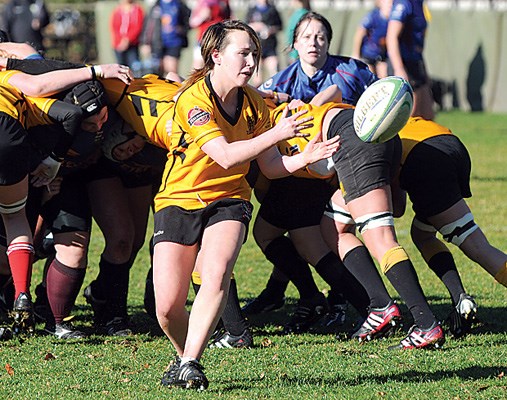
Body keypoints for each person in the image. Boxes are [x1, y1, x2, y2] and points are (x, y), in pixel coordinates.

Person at [152, 20, 339, 391]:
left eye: (254, 53)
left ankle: (190, 361)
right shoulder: (193, 99)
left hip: (229, 199)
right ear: (216, 56)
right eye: (243, 53)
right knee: (167, 308)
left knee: (217, 272)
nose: (251, 61)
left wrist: (305, 158)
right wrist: (278, 132)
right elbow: (223, 154)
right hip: (178, 199)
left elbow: (269, 165)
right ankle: (183, 355)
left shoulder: (254, 103)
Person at [240, 12, 376, 336]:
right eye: (306, 37)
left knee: (319, 236)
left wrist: (310, 107)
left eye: (321, 37)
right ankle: (333, 301)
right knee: (294, 235)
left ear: (329, 41)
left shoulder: (352, 71)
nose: (314, 43)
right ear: (293, 44)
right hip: (306, 169)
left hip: (341, 166)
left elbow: (354, 99)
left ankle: (366, 305)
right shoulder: (279, 82)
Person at [319, 103, 445, 350]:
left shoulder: (276, 115)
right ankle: (380, 305)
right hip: (380, 134)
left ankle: (426, 325)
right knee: (332, 227)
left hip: (355, 141)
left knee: (381, 239)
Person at [392, 117, 507, 338]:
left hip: (427, 160)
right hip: (450, 143)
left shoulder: (368, 136)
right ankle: (460, 298)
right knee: (422, 234)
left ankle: (460, 299)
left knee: (475, 245)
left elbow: (398, 209)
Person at [386, 0, 434, 119]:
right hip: (404, 63)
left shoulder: (419, 3)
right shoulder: (404, 4)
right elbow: (391, 37)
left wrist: (424, 69)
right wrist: (399, 68)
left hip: (416, 62)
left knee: (427, 115)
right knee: (411, 114)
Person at [140, 0, 191, 76]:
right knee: (158, 71)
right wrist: (146, 43)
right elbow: (148, 26)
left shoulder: (180, 5)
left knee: (171, 71)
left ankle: (173, 87)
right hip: (158, 43)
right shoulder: (156, 6)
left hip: (174, 42)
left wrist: (181, 29)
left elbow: (189, 21)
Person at [245, 0, 282, 87]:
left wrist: (269, 30)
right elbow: (245, 25)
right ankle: (257, 98)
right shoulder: (252, 10)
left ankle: (275, 97)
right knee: (258, 78)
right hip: (256, 48)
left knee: (275, 73)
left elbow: (279, 26)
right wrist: (255, 26)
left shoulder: (272, 10)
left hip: (270, 47)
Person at [351, 0, 392, 78]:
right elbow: (360, 33)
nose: (390, 4)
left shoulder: (393, 19)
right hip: (369, 53)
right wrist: (356, 53)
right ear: (380, 2)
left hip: (383, 55)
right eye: (388, 2)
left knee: (384, 78)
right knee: (371, 78)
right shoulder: (373, 16)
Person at [189, 0, 231, 70]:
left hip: (219, 39)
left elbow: (230, 18)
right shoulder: (201, 2)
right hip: (203, 38)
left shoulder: (224, 1)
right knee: (198, 68)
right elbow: (192, 23)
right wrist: (202, 17)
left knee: (219, 67)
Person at [110, 0, 145, 68]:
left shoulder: (137, 10)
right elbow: (114, 27)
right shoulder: (117, 10)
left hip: (132, 45)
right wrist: (120, 41)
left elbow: (137, 27)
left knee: (134, 67)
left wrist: (127, 40)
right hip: (119, 45)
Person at [284, 0, 311, 65]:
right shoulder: (296, 13)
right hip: (293, 50)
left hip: (298, 51)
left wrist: (294, 50)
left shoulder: (304, 14)